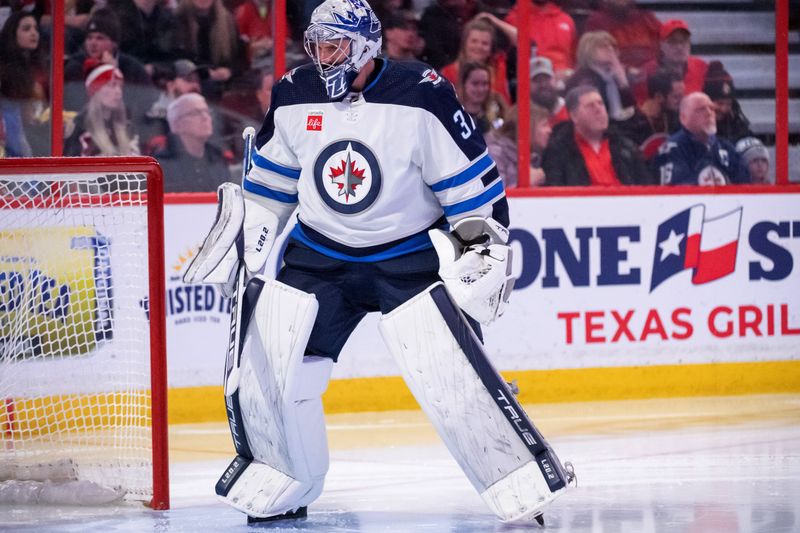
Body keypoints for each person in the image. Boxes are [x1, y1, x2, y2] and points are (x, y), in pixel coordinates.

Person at [182, 0, 573, 524]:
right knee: (276, 366)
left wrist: (479, 249)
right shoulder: (295, 93)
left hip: (408, 255)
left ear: (365, 44)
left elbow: (472, 191)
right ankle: (284, 479)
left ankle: (517, 478)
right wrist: (251, 239)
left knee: (450, 372)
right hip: (320, 255)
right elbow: (270, 185)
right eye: (316, 44)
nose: (322, 56)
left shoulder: (422, 95)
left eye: (334, 44)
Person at [542, 85, 653, 186]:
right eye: (590, 106)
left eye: (600, 103)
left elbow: (646, 187)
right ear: (574, 116)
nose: (599, 109)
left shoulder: (626, 146)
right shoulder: (558, 151)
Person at [63, 8, 154, 118]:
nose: (93, 43)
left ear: (114, 43)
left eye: (100, 38)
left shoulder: (131, 67)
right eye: (89, 38)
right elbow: (77, 106)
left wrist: (114, 74)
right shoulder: (75, 67)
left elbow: (146, 102)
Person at [654, 92, 749, 186]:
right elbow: (676, 191)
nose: (709, 113)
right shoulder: (673, 149)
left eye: (712, 109)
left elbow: (745, 187)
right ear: (683, 118)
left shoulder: (727, 148)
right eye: (701, 110)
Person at [479, 0, 577, 81]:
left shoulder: (566, 20)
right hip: (530, 82)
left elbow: (574, 59)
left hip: (565, 82)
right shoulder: (514, 19)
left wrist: (568, 74)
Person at [154, 93, 230, 192]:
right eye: (196, 113)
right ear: (176, 124)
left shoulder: (218, 160)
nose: (205, 117)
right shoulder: (161, 166)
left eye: (207, 112)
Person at [63, 62, 141, 157]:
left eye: (120, 86)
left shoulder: (127, 124)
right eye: (112, 85)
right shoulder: (80, 126)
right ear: (96, 90)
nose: (118, 92)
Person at [173, 0, 246, 101]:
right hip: (192, 78)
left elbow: (240, 57)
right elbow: (178, 55)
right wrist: (206, 72)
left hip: (224, 80)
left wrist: (229, 71)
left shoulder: (227, 20)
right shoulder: (178, 19)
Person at [0, 11, 49, 157]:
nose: (34, 33)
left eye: (36, 29)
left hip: (33, 134)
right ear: (12, 34)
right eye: (26, 29)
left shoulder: (41, 68)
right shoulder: (3, 69)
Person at [635, 19, 707, 104]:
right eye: (673, 42)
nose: (679, 47)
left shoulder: (702, 67)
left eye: (684, 41)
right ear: (661, 45)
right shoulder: (646, 72)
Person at [441, 18, 510, 104]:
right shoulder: (447, 73)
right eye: (474, 41)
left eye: (484, 43)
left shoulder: (498, 70)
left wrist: (491, 18)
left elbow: (504, 106)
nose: (479, 47)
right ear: (464, 44)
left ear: (491, 48)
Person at [486, 103, 551, 187]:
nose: (549, 130)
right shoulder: (495, 154)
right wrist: (524, 184)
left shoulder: (536, 155)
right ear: (528, 127)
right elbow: (494, 196)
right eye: (544, 125)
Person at [584, 0, 661, 69]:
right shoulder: (597, 21)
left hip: (654, 75)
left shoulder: (645, 15)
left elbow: (665, 40)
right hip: (618, 77)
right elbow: (596, 59)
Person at [634, 68, 683, 154]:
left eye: (682, 96)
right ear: (658, 97)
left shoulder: (675, 117)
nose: (681, 101)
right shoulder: (634, 123)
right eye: (676, 97)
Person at [703, 60, 753, 144]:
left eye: (728, 104)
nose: (723, 109)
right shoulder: (694, 129)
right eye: (719, 103)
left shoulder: (738, 127)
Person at [456, 62, 506, 134]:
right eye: (475, 83)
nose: (480, 89)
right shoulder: (454, 116)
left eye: (485, 83)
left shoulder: (497, 115)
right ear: (464, 84)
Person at [529, 56, 568, 125]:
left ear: (555, 79)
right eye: (537, 80)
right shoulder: (524, 115)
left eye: (547, 79)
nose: (543, 85)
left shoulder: (569, 110)